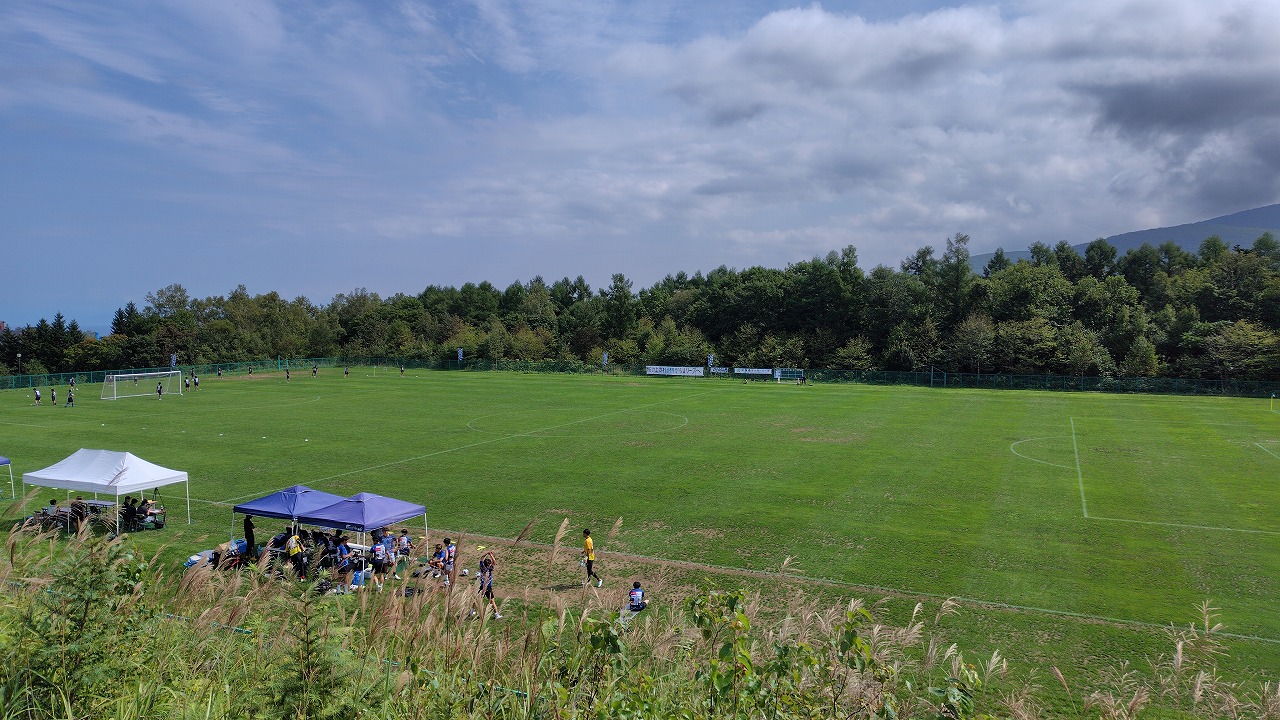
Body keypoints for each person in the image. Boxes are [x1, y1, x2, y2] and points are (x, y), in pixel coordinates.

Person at [474, 551, 500, 618]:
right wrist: (491, 554)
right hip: (488, 587)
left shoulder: (482, 567)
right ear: (489, 564)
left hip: (482, 586)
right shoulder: (490, 568)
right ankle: (496, 614)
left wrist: (486, 553)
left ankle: (472, 611)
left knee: (478, 599)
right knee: (492, 601)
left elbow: (482, 557)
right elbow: (494, 562)